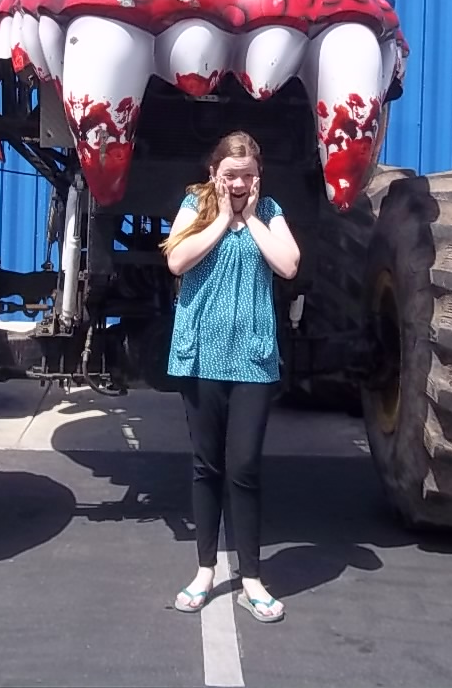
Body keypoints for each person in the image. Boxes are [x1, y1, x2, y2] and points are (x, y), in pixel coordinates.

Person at [160, 130, 301, 624]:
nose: (238, 184)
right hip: (200, 357)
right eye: (230, 175)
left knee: (244, 467)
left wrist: (250, 219)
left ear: (258, 177)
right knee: (207, 467)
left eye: (247, 176)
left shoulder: (271, 212)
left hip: (252, 361)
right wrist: (222, 218)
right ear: (214, 173)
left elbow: (288, 265)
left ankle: (252, 579)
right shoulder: (194, 206)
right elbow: (177, 259)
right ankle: (204, 571)